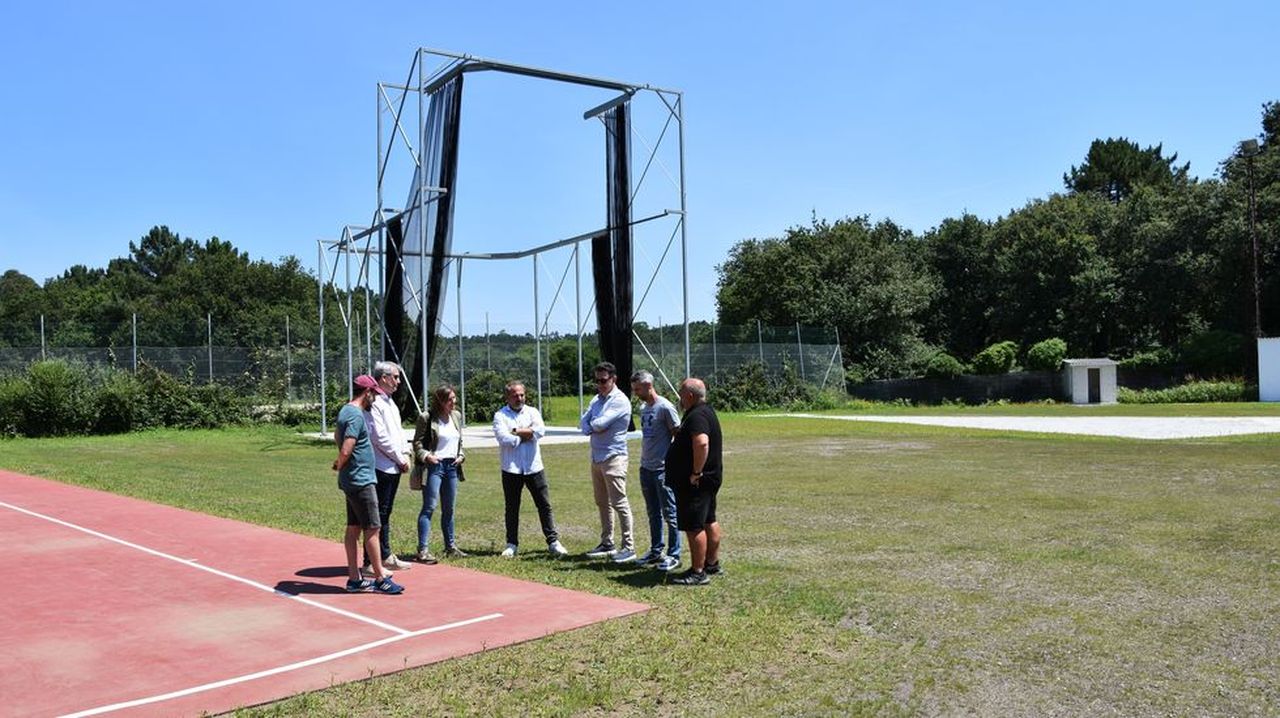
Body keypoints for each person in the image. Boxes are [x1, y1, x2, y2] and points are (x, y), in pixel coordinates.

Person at [333, 374, 404, 595]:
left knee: (353, 528)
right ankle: (381, 577)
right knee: (373, 528)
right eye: (374, 393)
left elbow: (337, 435)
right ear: (367, 392)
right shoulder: (356, 415)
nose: (375, 397)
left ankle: (355, 578)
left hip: (352, 479)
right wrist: (340, 462)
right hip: (361, 480)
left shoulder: (345, 410)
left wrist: (344, 465)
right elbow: (347, 446)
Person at [492, 380, 569, 558]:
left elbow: (540, 431)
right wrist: (525, 434)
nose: (519, 398)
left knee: (544, 505)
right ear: (507, 397)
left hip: (534, 467)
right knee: (512, 507)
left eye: (522, 395)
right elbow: (505, 439)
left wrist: (515, 431)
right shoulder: (500, 416)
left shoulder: (533, 412)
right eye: (515, 395)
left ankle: (553, 541)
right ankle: (511, 544)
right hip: (511, 469)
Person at [664, 377, 723, 586]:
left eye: (681, 393)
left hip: (697, 481)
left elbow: (701, 443)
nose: (679, 398)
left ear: (689, 395)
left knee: (694, 525)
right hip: (709, 479)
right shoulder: (706, 411)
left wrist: (696, 472)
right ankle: (712, 563)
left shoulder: (697, 415)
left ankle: (698, 572)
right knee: (709, 519)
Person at [579, 361, 636, 562]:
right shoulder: (596, 400)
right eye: (597, 381)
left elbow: (600, 424)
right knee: (602, 503)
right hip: (596, 458)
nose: (600, 384)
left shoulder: (620, 401)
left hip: (614, 457)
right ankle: (607, 542)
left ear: (614, 379)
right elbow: (583, 425)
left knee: (619, 502)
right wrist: (593, 425)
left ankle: (629, 547)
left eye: (604, 380)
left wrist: (593, 424)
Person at [362, 361, 413, 575]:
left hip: (394, 465)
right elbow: (379, 437)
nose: (398, 382)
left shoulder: (390, 403)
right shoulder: (374, 403)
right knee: (376, 515)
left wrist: (406, 453)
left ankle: (385, 555)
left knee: (386, 512)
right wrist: (398, 458)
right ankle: (368, 562)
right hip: (382, 466)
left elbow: (399, 433)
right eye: (395, 377)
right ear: (383, 378)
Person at [630, 370, 682, 572]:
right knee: (653, 513)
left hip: (662, 469)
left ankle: (674, 554)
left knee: (670, 512)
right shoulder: (644, 408)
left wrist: (672, 463)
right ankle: (655, 551)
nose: (635, 393)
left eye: (637, 389)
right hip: (646, 468)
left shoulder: (665, 407)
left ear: (648, 385)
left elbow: (677, 435)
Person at [412, 384, 467, 563]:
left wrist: (461, 455)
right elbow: (417, 443)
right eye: (450, 399)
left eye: (454, 398)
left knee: (449, 508)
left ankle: (450, 546)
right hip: (434, 466)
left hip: (452, 466)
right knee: (429, 507)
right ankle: (423, 549)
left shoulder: (456, 416)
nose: (454, 402)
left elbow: (459, 441)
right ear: (441, 401)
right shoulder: (427, 417)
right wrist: (427, 456)